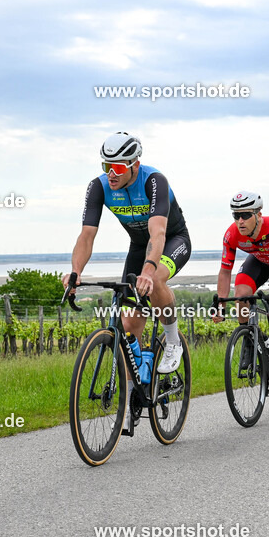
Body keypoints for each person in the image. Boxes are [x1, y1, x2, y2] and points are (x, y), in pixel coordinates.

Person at [63, 132, 190, 373]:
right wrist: (75, 272)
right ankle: (133, 391)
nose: (111, 173)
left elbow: (158, 233)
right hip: (139, 248)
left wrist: (147, 271)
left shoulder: (154, 181)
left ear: (135, 165)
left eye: (119, 167)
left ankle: (173, 341)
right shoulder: (99, 187)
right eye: (107, 166)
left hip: (173, 240)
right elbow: (87, 235)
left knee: (155, 278)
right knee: (129, 327)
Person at [213, 192, 269, 398]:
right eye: (236, 216)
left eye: (245, 215)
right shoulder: (231, 234)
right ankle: (248, 339)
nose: (240, 221)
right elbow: (225, 271)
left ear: (258, 214)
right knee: (241, 294)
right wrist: (220, 306)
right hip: (260, 261)